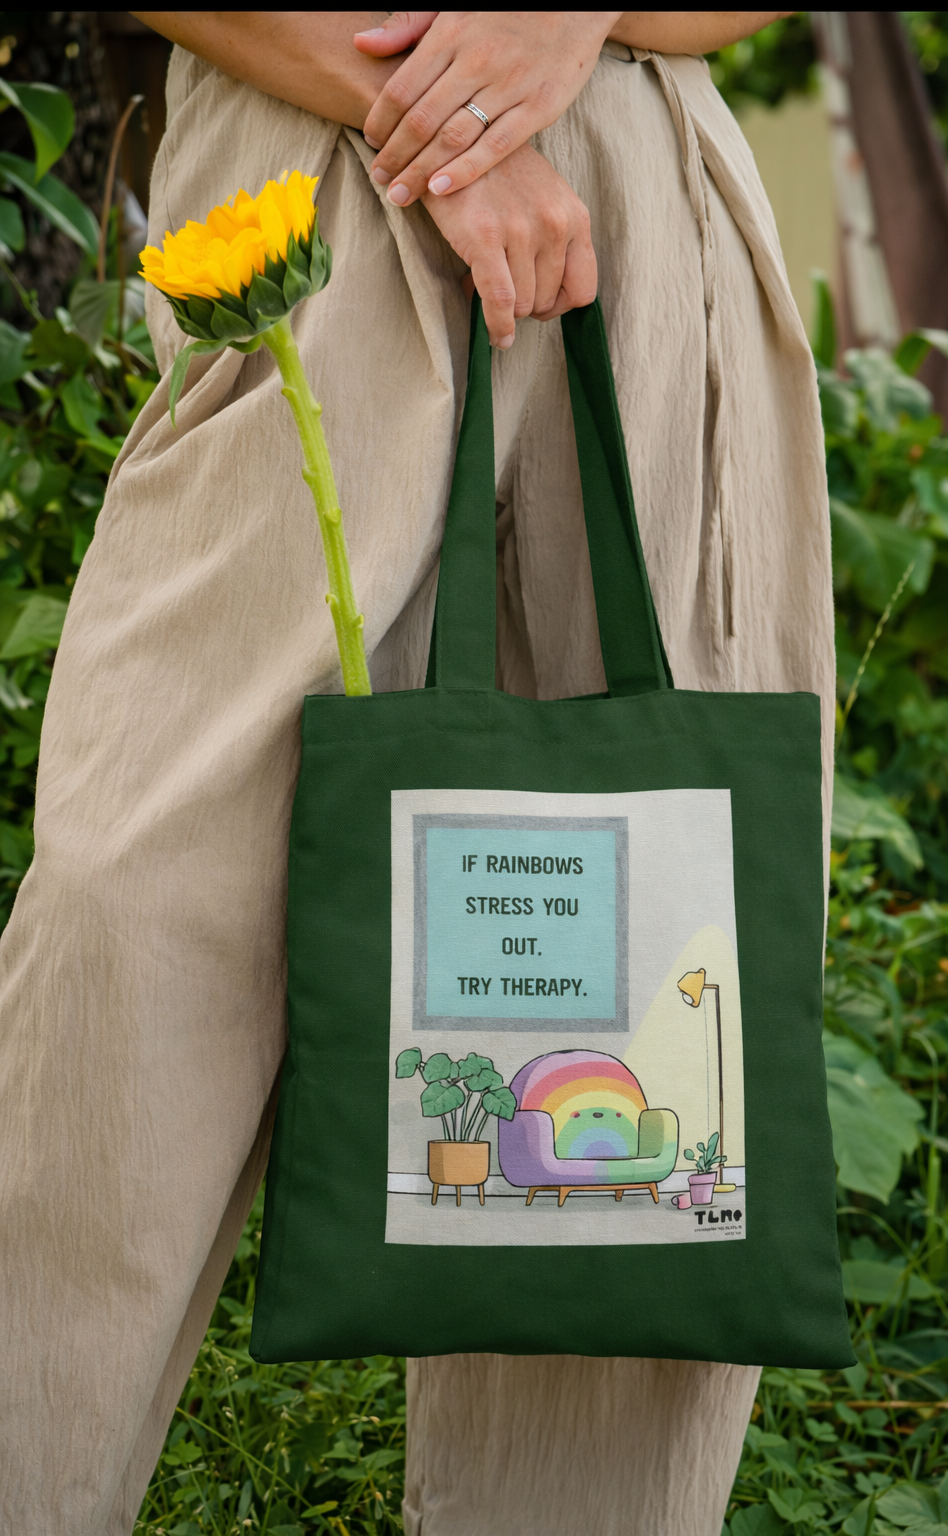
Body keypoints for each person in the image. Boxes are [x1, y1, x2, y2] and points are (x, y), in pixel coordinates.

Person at [0, 12, 834, 1534]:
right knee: (130, 918)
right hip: (303, 188)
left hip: (649, 225)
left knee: (631, 961)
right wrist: (455, 132)